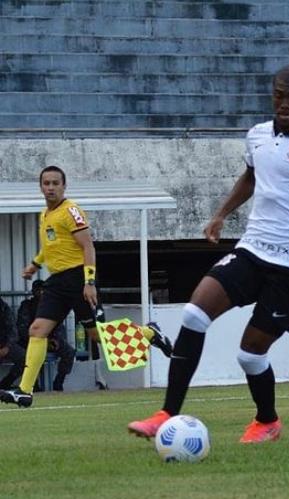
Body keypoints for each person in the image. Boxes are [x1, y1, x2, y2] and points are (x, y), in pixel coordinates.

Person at [128, 66, 289, 444]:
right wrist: (221, 215)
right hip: (252, 248)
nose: (284, 103)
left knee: (250, 355)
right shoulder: (257, 136)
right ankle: (166, 414)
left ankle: (267, 421)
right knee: (194, 313)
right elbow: (250, 177)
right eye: (278, 95)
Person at [0, 166, 174, 408]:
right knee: (36, 330)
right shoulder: (45, 214)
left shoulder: (71, 211)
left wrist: (89, 282)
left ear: (64, 186)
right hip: (57, 282)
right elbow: (51, 247)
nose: (50, 187)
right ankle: (25, 391)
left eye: (55, 183)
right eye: (46, 183)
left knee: (97, 336)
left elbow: (88, 247)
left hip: (78, 279)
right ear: (41, 186)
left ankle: (149, 333)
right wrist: (34, 264)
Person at [16, 280, 75, 391]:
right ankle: (33, 384)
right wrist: (42, 340)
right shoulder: (27, 306)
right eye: (38, 290)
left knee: (69, 352)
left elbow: (59, 325)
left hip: (51, 339)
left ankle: (59, 382)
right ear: (33, 292)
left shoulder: (52, 306)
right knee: (32, 354)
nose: (41, 293)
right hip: (31, 340)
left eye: (43, 290)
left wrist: (56, 340)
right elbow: (23, 329)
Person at [0, 296, 25, 391]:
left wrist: (7, 347)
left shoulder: (4, 308)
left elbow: (13, 332)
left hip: (4, 344)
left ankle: (5, 383)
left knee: (25, 358)